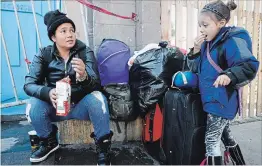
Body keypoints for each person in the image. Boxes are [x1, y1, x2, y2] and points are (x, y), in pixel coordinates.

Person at [24, 10, 113, 165]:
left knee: (98, 98)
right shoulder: (44, 54)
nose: (70, 35)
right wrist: (47, 92)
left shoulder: (84, 52)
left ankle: (103, 148)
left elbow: (96, 85)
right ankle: (49, 141)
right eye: (63, 31)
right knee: (32, 105)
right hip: (55, 106)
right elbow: (29, 84)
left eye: (72, 30)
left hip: (80, 106)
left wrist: (84, 76)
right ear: (53, 37)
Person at [187, 0, 259, 165]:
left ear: (221, 23)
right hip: (211, 99)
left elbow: (248, 66)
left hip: (221, 100)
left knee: (211, 140)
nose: (201, 29)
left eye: (205, 25)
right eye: (200, 25)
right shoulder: (207, 44)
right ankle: (240, 163)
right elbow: (196, 70)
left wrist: (230, 75)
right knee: (225, 135)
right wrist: (196, 51)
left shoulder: (233, 39)